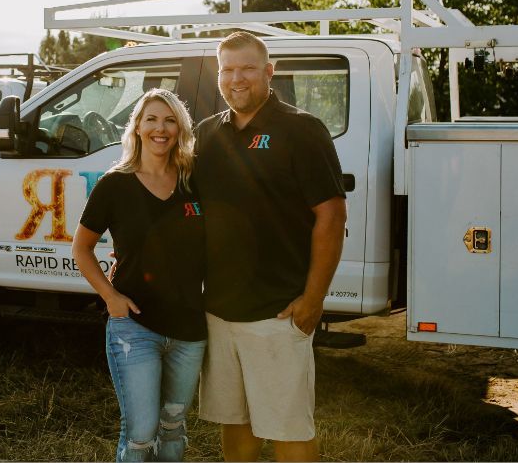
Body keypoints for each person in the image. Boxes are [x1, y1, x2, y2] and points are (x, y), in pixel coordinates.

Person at [194, 31, 347, 462]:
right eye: (227, 69)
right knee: (235, 423)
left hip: (278, 312)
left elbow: (331, 216)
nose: (236, 78)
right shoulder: (208, 134)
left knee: (288, 428)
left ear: (269, 72)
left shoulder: (302, 129)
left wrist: (312, 302)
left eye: (246, 68)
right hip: (219, 312)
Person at [72, 88, 206, 462]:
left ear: (180, 130)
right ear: (137, 128)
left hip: (189, 330)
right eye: (151, 119)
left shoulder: (194, 182)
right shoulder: (115, 184)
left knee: (174, 426)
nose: (160, 128)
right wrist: (110, 297)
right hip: (134, 327)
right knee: (141, 434)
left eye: (169, 121)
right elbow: (81, 249)